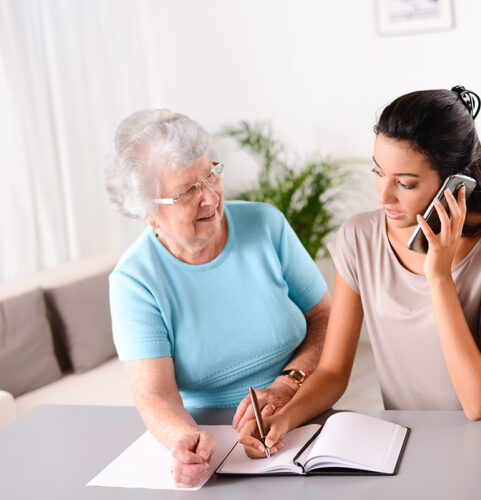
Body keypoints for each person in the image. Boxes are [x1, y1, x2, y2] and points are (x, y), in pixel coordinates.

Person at [239, 86, 481, 458]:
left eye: (405, 183)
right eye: (378, 172)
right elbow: (332, 371)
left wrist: (438, 276)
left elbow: (478, 403)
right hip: (404, 446)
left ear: (454, 183)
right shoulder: (359, 238)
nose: (383, 196)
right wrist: (284, 419)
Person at [104, 108, 330, 486]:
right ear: (149, 214)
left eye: (211, 173)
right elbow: (155, 395)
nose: (210, 197)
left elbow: (325, 317)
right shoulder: (134, 281)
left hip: (303, 415)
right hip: (216, 444)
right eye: (187, 191)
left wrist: (287, 383)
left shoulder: (266, 224)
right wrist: (185, 441)